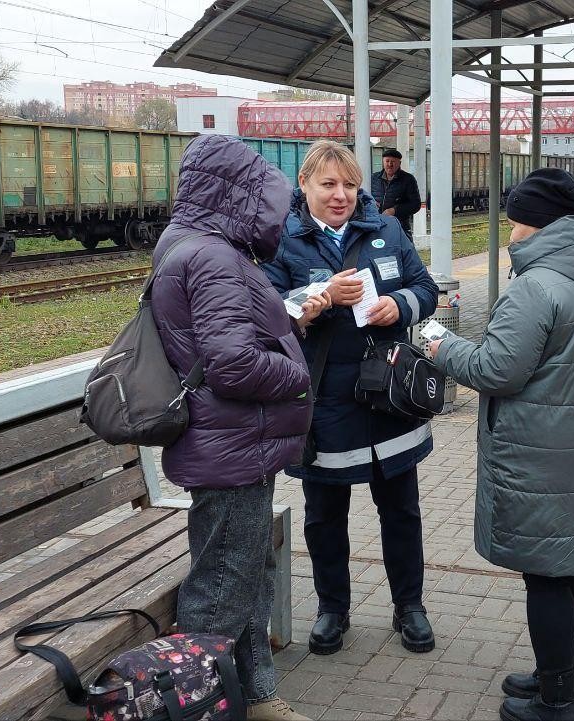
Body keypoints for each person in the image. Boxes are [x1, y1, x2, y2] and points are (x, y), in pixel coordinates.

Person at [428, 167, 574, 721]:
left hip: (541, 457)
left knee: (545, 577)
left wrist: (437, 343)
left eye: (514, 221)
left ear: (536, 225)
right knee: (561, 571)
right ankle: (568, 676)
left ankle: (557, 703)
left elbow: (495, 370)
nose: (509, 233)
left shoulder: (536, 287)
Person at [152, 135, 332, 721]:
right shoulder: (213, 257)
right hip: (228, 450)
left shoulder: (192, 245)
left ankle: (254, 695)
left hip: (231, 446)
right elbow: (232, 364)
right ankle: (196, 704)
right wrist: (296, 373)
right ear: (240, 197)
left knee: (245, 575)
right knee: (222, 588)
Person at [263, 140, 439, 657]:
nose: (341, 196)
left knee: (401, 509)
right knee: (324, 513)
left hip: (387, 394)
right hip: (325, 401)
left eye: (350, 185)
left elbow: (424, 287)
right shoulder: (283, 242)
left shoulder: (385, 229)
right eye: (328, 185)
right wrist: (312, 304)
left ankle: (410, 606)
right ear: (305, 186)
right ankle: (332, 610)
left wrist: (398, 305)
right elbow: (268, 310)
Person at [370, 148, 422, 240]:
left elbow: (415, 204)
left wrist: (395, 210)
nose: (390, 164)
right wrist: (371, 203)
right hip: (376, 226)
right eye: (387, 161)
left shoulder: (408, 179)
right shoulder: (373, 178)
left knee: (404, 252)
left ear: (399, 163)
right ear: (383, 162)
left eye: (393, 162)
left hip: (400, 227)